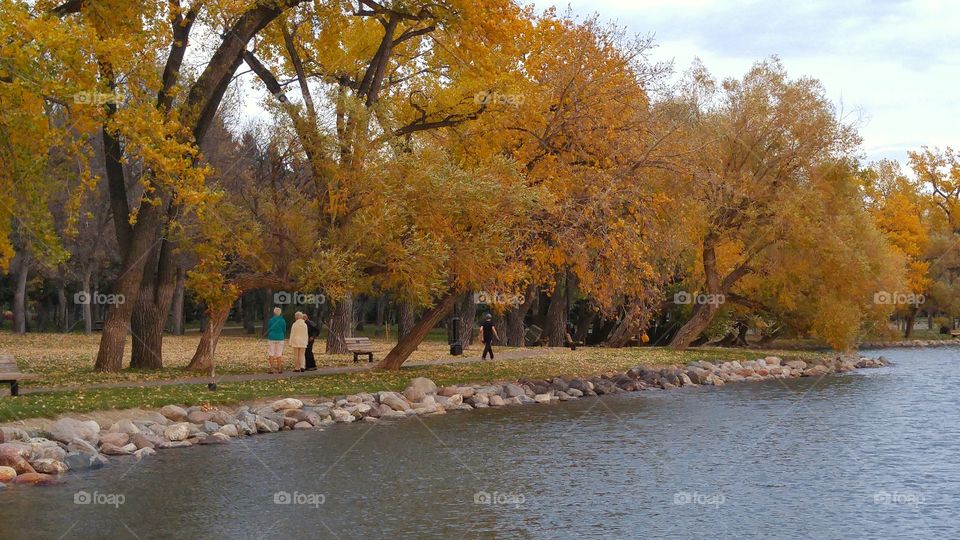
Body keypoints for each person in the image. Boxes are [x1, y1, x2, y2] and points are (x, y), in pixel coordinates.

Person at [266, 307, 287, 374]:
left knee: (271, 353)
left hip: (271, 337)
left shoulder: (271, 320)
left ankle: (272, 369)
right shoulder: (282, 320)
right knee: (279, 353)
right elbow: (284, 329)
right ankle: (279, 369)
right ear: (280, 313)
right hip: (280, 337)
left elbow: (269, 328)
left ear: (274, 312)